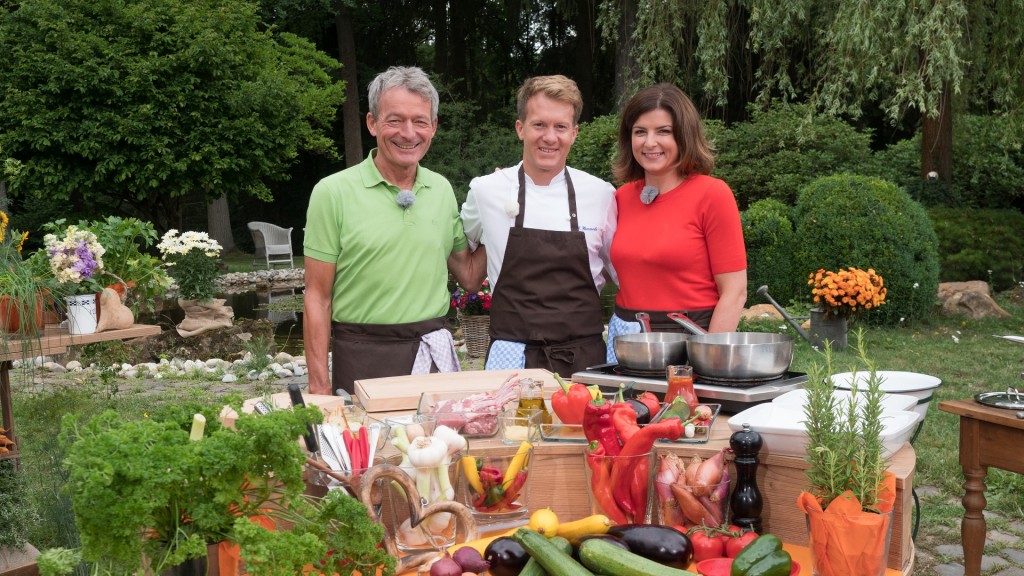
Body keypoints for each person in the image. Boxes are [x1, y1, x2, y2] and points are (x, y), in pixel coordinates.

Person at [303, 66, 478, 396]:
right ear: (372, 123)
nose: (408, 133)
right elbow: (317, 296)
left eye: (420, 121)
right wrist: (319, 387)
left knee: (438, 448)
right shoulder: (332, 192)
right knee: (371, 448)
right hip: (362, 355)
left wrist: (504, 204)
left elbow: (468, 275)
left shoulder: (440, 189)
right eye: (395, 120)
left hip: (432, 350)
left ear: (434, 127)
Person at [461, 75, 616, 376]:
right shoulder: (486, 191)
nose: (550, 137)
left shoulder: (601, 194)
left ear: (575, 133)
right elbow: (466, 248)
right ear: (520, 128)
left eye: (560, 127)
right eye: (539, 125)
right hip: (511, 356)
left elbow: (617, 270)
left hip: (585, 360)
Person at [605, 83, 747, 363]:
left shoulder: (712, 194)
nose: (649, 142)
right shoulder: (620, 197)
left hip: (690, 340)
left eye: (663, 131)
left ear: (684, 135)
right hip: (625, 340)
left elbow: (735, 292)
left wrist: (710, 359)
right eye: (640, 132)